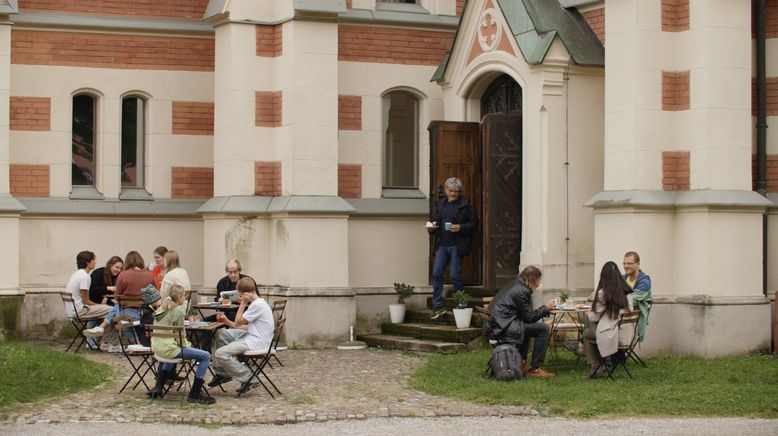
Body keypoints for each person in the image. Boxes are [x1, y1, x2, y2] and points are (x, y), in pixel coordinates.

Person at [148, 284, 215, 404]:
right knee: (205, 356)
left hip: (157, 349)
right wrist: (189, 347)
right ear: (179, 296)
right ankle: (195, 393)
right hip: (169, 351)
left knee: (170, 350)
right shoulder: (177, 313)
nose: (185, 297)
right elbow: (182, 339)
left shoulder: (160, 310)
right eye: (184, 295)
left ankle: (158, 387)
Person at [208, 277, 275, 394]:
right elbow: (247, 326)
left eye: (240, 295)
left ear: (246, 294)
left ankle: (249, 378)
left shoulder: (256, 305)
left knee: (221, 353)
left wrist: (243, 304)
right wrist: (227, 322)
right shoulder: (258, 303)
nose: (239, 297)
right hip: (253, 335)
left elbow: (238, 321)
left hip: (256, 342)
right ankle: (222, 373)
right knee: (221, 333)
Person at [488, 266, 556, 378]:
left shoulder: (515, 285)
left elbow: (526, 317)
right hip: (502, 327)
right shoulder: (522, 291)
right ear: (532, 279)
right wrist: (546, 307)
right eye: (538, 281)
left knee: (528, 327)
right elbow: (529, 317)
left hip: (500, 324)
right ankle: (535, 368)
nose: (538, 285)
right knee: (543, 329)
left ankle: (522, 363)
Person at [426, 177, 478, 319]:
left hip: (457, 245)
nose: (454, 194)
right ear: (445, 191)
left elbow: (474, 225)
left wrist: (461, 227)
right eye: (451, 191)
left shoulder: (466, 205)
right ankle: (437, 306)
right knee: (436, 273)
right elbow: (438, 221)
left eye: (456, 191)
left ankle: (461, 304)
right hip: (443, 244)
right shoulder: (441, 204)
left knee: (455, 275)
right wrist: (432, 228)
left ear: (460, 191)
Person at [84, 251, 154, 343]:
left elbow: (117, 297)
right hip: (146, 313)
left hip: (127, 314)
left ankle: (132, 341)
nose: (119, 270)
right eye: (117, 267)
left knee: (119, 313)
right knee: (118, 310)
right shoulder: (149, 275)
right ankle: (110, 337)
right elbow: (154, 296)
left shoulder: (123, 275)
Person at [581, 261, 631, 379]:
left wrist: (588, 313)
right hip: (626, 333)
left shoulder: (603, 293)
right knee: (590, 330)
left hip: (611, 334)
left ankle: (595, 366)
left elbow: (595, 317)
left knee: (586, 333)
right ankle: (599, 363)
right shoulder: (627, 290)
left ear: (603, 276)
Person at [65, 251, 120, 351]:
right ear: (87, 262)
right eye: (93, 260)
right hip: (80, 311)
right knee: (112, 310)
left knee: (107, 311)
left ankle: (106, 342)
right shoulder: (85, 277)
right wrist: (99, 306)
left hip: (72, 310)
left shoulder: (77, 274)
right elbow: (86, 301)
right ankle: (112, 344)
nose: (95, 262)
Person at [197, 259, 247, 348]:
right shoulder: (222, 282)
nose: (232, 275)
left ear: (239, 270)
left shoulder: (247, 281)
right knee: (204, 322)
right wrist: (220, 301)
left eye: (235, 272)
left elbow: (256, 301)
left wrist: (243, 301)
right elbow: (217, 302)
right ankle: (205, 352)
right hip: (226, 314)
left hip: (243, 315)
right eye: (230, 272)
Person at [623, 251, 651, 342]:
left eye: (629, 263)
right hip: (620, 316)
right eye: (624, 263)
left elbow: (632, 301)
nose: (626, 266)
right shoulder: (623, 278)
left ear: (638, 264)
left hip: (634, 320)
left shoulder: (644, 281)